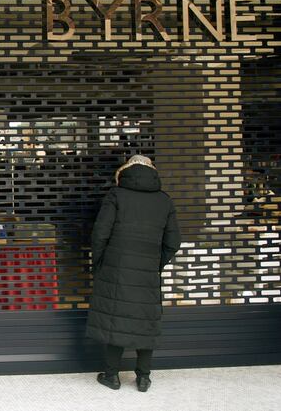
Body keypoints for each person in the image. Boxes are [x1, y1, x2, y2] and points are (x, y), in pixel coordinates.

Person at [85, 155, 181, 392]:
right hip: (147, 270)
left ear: (124, 172)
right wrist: (156, 263)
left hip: (115, 267)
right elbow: (174, 241)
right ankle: (143, 377)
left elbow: (100, 234)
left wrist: (99, 262)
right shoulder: (164, 200)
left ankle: (112, 376)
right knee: (144, 321)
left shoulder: (116, 196)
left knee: (116, 319)